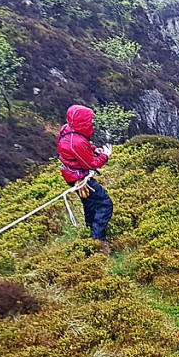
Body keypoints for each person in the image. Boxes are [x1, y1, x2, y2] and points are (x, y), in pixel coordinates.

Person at [57, 105, 114, 251]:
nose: (91, 123)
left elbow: (84, 145)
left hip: (72, 175)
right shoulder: (76, 142)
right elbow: (92, 163)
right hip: (80, 178)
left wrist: (94, 149)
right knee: (104, 203)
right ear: (82, 122)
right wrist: (105, 155)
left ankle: (90, 227)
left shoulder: (67, 129)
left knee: (89, 202)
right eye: (89, 120)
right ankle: (98, 240)